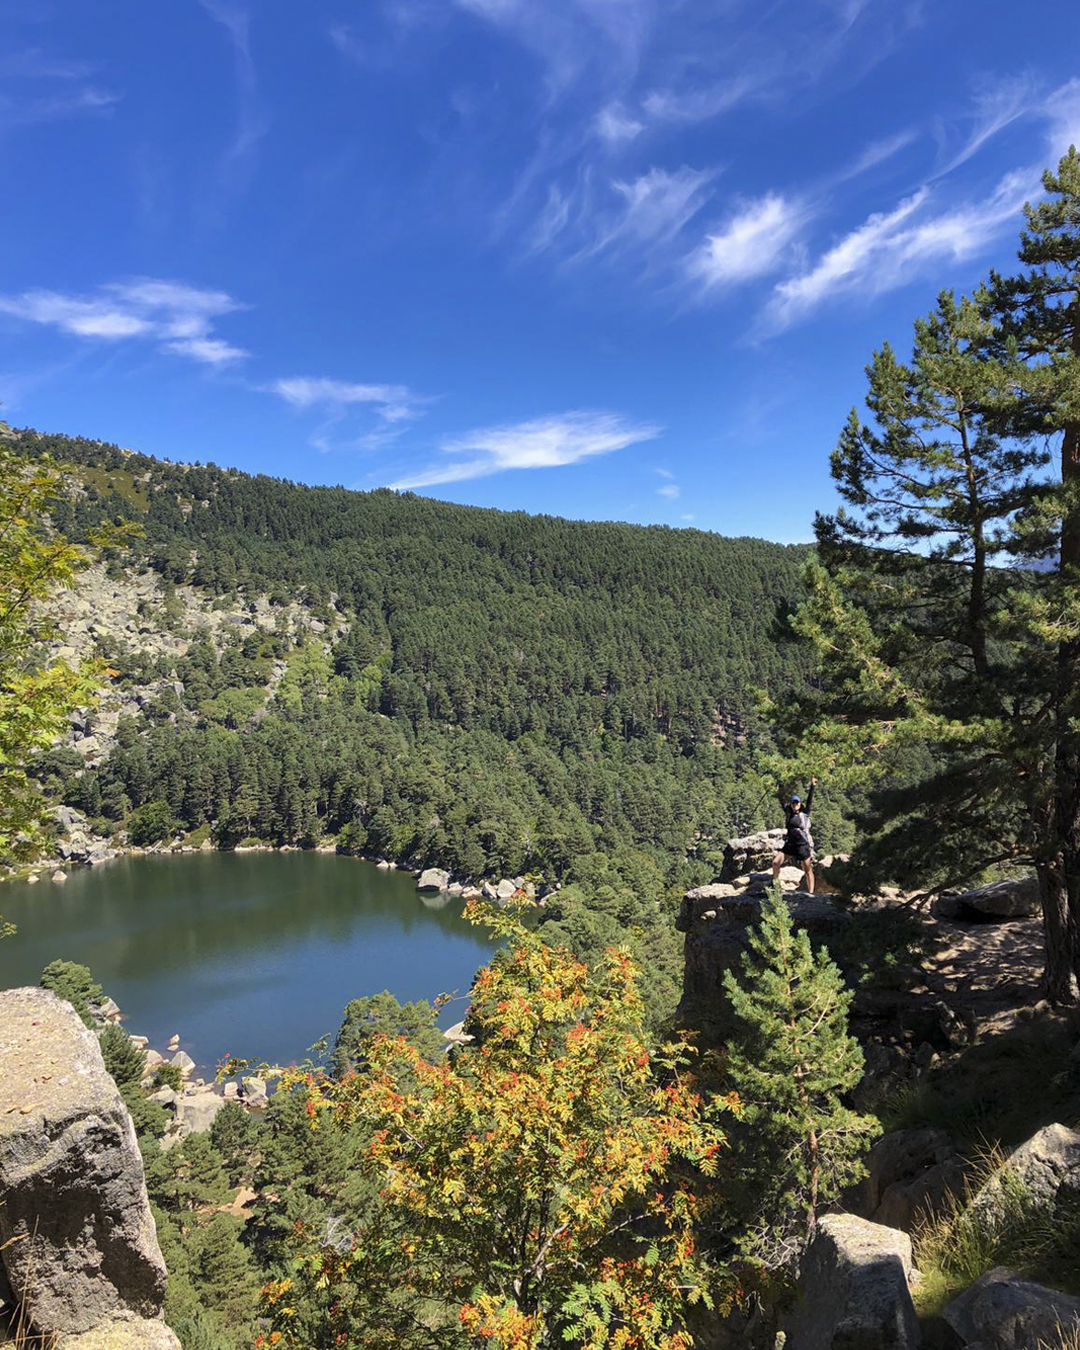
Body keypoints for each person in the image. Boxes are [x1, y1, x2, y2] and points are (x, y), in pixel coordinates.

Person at [772, 776, 818, 893]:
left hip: (802, 844)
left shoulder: (804, 813)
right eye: (793, 803)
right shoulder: (788, 813)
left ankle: (811, 893)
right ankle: (776, 888)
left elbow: (809, 801)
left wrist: (812, 786)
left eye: (796, 803)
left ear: (799, 804)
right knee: (775, 862)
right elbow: (781, 798)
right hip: (790, 844)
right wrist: (778, 782)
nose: (795, 805)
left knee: (807, 869)